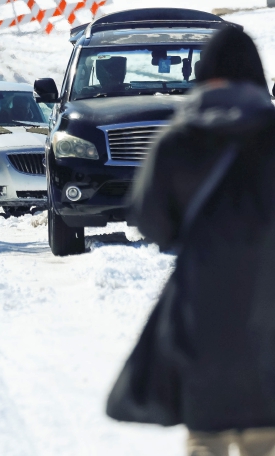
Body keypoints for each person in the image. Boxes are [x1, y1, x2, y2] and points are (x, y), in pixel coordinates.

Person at [106, 26, 275, 456]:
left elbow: (151, 223)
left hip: (201, 319)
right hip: (269, 323)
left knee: (207, 439)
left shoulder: (178, 140)